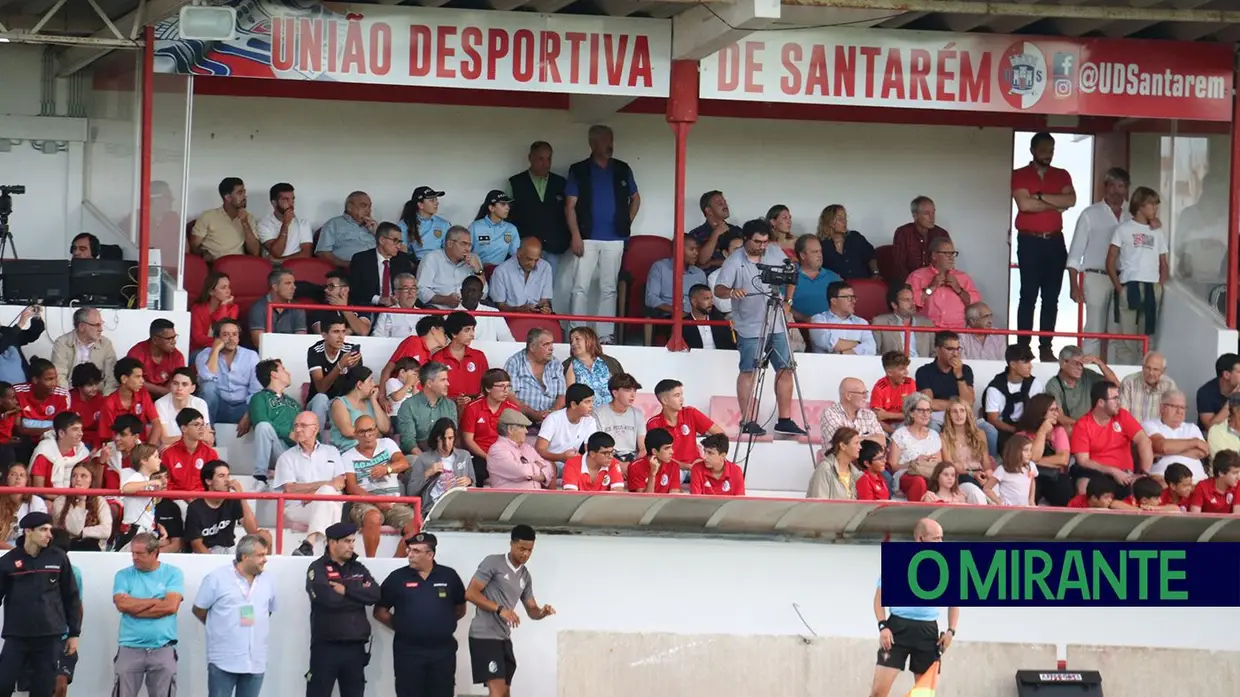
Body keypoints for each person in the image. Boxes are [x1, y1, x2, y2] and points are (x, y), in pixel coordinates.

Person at [714, 219, 806, 437]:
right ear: (746, 239)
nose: (762, 246)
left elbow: (792, 274)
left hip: (777, 322)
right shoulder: (735, 261)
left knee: (786, 368)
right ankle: (747, 420)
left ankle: (784, 419)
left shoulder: (774, 251)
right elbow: (718, 289)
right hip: (749, 326)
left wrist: (788, 301)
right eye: (757, 242)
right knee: (749, 371)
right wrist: (731, 292)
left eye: (765, 242)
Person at [565, 124, 640, 344]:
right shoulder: (579, 170)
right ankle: (577, 332)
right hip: (586, 237)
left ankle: (605, 335)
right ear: (592, 143)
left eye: (611, 140)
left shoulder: (622, 168)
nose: (610, 146)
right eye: (605, 141)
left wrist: (625, 223)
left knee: (609, 288)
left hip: (615, 238)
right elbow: (569, 206)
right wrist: (576, 235)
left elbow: (636, 199)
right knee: (580, 286)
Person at [870, 517, 958, 697]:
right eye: (936, 539)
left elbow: (954, 603)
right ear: (920, 539)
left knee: (924, 694)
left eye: (942, 538)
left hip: (928, 632)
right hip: (897, 630)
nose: (941, 543)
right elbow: (879, 599)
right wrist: (883, 626)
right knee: (879, 692)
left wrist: (951, 631)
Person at [465, 525, 556, 696]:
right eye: (522, 549)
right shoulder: (493, 562)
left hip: (503, 638)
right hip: (484, 635)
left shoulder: (525, 576)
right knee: (497, 690)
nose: (525, 554)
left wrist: (542, 612)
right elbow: (471, 593)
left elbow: (532, 609)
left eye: (530, 550)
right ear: (511, 544)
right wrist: (500, 609)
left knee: (505, 692)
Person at [376, 532, 467, 697]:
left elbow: (460, 609)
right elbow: (380, 611)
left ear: (430, 554)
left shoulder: (449, 576)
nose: (410, 555)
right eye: (409, 550)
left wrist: (440, 625)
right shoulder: (397, 578)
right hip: (409, 651)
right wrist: (402, 626)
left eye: (416, 551)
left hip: (442, 652)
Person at [1012, 132, 1076, 362]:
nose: (1048, 154)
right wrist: (1052, 202)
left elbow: (1070, 201)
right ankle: (1022, 346)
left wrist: (1038, 197)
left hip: (1055, 241)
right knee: (1027, 294)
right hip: (1029, 241)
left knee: (1051, 297)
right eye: (1043, 149)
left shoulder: (1062, 174)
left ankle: (1046, 346)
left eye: (1051, 149)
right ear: (1032, 150)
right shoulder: (1019, 174)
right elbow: (1024, 204)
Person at [0, 512, 81, 697]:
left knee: (43, 690)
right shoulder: (8, 561)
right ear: (28, 531)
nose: (49, 535)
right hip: (17, 636)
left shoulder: (58, 557)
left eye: (50, 530)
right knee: (3, 683)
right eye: (43, 530)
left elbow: (71, 597)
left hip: (50, 636)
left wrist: (74, 633)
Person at [191, 534, 276, 697]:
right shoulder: (217, 578)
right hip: (224, 659)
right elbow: (199, 609)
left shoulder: (268, 581)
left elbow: (267, 612)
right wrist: (219, 626)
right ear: (245, 556)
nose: (265, 559)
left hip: (255, 661)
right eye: (260, 555)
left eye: (265, 554)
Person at [304, 523, 380, 697]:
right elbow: (328, 600)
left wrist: (346, 591)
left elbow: (375, 594)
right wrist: (359, 596)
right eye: (347, 541)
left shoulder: (358, 568)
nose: (352, 545)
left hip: (355, 648)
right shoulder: (318, 568)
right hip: (326, 648)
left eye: (353, 540)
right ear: (332, 542)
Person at [1067, 167, 1130, 358]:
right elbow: (1075, 255)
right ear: (1105, 187)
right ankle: (1088, 375)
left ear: (1127, 189)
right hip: (1097, 277)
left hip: (1124, 278)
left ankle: (1113, 379)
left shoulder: (1133, 215)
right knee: (1093, 330)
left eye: (1121, 185)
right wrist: (1073, 286)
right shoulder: (1090, 214)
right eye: (1112, 185)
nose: (1116, 190)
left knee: (1117, 333)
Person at [111, 532, 183, 697]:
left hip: (163, 647)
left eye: (140, 553)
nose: (134, 557)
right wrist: (156, 601)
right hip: (129, 647)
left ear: (154, 552)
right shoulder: (123, 575)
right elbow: (121, 604)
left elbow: (171, 607)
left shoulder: (173, 573)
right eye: (133, 553)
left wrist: (134, 606)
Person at [1106, 186, 1168, 365]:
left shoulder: (1157, 231)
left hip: (1151, 286)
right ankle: (1126, 376)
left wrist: (1159, 286)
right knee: (1126, 339)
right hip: (1129, 284)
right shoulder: (1123, 229)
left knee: (1148, 337)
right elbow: (1110, 261)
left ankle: (1146, 376)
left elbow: (1163, 262)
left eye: (1156, 206)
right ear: (1140, 205)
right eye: (1152, 205)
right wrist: (1120, 289)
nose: (1155, 209)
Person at [274, 412, 348, 557]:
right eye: (296, 425)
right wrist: (324, 486)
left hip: (327, 503)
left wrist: (316, 494)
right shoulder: (286, 457)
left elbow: (340, 483)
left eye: (303, 425)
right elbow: (290, 489)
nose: (298, 429)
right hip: (299, 507)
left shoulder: (331, 452)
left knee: (328, 496)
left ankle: (309, 543)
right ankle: (332, 550)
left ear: (315, 429)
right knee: (328, 494)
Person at [343, 415, 417, 558]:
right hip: (365, 503)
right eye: (362, 432)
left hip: (394, 503)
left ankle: (394, 564)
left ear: (376, 430)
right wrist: (377, 501)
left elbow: (403, 463)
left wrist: (387, 469)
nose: (368, 435)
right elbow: (352, 487)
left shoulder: (387, 444)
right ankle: (372, 562)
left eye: (371, 430)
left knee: (416, 525)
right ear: (355, 434)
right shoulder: (347, 456)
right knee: (373, 517)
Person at [1069, 380, 1154, 499]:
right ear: (1101, 402)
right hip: (1096, 474)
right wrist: (1113, 471)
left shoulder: (1123, 415)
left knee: (1145, 489)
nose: (1119, 402)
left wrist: (1144, 474)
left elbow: (1144, 441)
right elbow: (1083, 461)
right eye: (1115, 399)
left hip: (1126, 475)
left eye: (1119, 398)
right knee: (1084, 486)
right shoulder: (1083, 425)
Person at [507, 141, 570, 272]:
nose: (545, 163)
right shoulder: (516, 182)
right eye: (540, 159)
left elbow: (567, 212)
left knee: (546, 288)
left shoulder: (560, 182)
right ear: (530, 158)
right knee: (523, 286)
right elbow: (508, 214)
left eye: (549, 159)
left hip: (553, 246)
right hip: (526, 246)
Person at [183, 460, 267, 554]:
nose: (227, 480)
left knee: (264, 536)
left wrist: (241, 495)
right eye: (221, 476)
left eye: (228, 475)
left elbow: (252, 530)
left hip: (229, 550)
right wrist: (214, 562)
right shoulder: (195, 507)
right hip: (207, 553)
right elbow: (196, 544)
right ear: (208, 481)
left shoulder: (233, 500)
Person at [195, 319, 262, 425]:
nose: (231, 339)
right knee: (208, 387)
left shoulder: (251, 356)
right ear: (217, 338)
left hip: (242, 407)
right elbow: (206, 378)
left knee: (263, 400)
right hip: (217, 407)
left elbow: (257, 390)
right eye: (225, 334)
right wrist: (215, 350)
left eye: (235, 334)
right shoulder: (204, 354)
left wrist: (249, 414)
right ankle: (208, 434)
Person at [905, 237, 981, 329]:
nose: (951, 257)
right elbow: (907, 305)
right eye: (946, 253)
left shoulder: (963, 277)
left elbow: (976, 306)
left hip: (958, 332)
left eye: (953, 253)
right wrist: (931, 288)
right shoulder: (917, 276)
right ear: (934, 255)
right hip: (927, 331)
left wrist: (959, 290)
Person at [646, 379, 722, 470]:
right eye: (677, 395)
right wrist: (683, 466)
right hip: (670, 468)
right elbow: (656, 455)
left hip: (695, 465)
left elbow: (720, 434)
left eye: (681, 394)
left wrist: (707, 455)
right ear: (665, 400)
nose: (682, 399)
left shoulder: (691, 412)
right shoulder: (653, 423)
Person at [1013, 394, 1074, 507]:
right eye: (1052, 410)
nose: (1057, 413)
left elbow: (1063, 459)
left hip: (1055, 477)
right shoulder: (1022, 435)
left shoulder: (1058, 431)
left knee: (1064, 487)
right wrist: (1042, 432)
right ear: (1040, 412)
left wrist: (1033, 462)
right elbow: (1033, 457)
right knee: (1029, 485)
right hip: (1032, 476)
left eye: (1057, 409)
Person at [461, 369, 520, 485]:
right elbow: (468, 440)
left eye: (508, 386)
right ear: (488, 389)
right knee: (476, 472)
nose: (506, 390)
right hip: (481, 455)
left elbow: (518, 439)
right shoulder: (472, 408)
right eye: (501, 386)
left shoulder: (513, 409)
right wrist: (488, 457)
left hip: (506, 455)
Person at [982, 344, 1044, 451]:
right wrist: (1015, 430)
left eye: (1030, 362)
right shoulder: (995, 387)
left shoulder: (1035, 384)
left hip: (1029, 428)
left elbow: (1039, 413)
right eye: (1025, 362)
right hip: (1005, 429)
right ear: (1013, 365)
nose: (1030, 366)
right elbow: (993, 419)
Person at [407, 417, 476, 511]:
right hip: (432, 508)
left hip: (460, 506)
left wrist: (469, 481)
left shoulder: (464, 455)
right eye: (442, 438)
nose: (446, 443)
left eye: (450, 438)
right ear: (436, 438)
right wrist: (427, 473)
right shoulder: (423, 459)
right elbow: (411, 492)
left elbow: (474, 484)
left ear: (455, 438)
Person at [306, 318, 363, 431]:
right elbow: (321, 389)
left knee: (350, 402)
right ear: (324, 335)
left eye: (343, 331)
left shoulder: (349, 351)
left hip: (341, 403)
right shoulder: (315, 351)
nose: (341, 336)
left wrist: (353, 369)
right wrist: (340, 366)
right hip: (318, 403)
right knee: (321, 398)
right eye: (336, 332)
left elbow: (358, 388)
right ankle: (317, 443)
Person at [247, 359, 298, 481]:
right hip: (277, 450)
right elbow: (261, 422)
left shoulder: (293, 402)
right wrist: (288, 433)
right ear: (273, 374)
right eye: (283, 369)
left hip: (297, 453)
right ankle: (260, 475)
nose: (289, 373)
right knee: (263, 426)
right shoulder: (259, 398)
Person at [1142, 389, 1208, 482]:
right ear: (1162, 408)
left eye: (1183, 407)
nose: (1179, 411)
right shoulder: (1150, 424)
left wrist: (1166, 453)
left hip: (1197, 480)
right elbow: (1163, 447)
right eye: (1175, 406)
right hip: (1164, 480)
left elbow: (1203, 451)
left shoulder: (1192, 428)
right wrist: (1194, 442)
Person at [1044, 345, 1120, 425]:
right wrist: (1083, 425)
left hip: (1091, 425)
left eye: (1081, 364)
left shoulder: (1087, 374)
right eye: (1076, 363)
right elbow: (1060, 417)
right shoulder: (1053, 385)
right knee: (1068, 429)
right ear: (1064, 363)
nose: (1080, 367)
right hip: (1072, 426)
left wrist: (1099, 362)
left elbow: (1116, 384)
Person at [503, 328, 566, 424]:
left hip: (551, 421)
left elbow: (562, 396)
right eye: (546, 344)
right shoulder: (514, 363)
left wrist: (551, 414)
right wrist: (533, 414)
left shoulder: (556, 364)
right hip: (520, 420)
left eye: (552, 343)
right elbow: (509, 395)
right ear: (532, 347)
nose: (551, 348)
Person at [349, 221, 418, 308]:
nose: (399, 246)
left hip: (397, 307)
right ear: (382, 240)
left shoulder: (403, 259)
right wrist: (379, 299)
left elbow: (408, 287)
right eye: (395, 241)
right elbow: (355, 290)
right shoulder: (361, 259)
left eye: (400, 242)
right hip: (370, 307)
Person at [889, 392, 942, 503]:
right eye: (921, 410)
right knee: (919, 481)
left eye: (928, 410)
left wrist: (930, 462)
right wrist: (915, 462)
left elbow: (939, 463)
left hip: (930, 474)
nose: (926, 414)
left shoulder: (934, 435)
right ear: (911, 413)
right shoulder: (900, 434)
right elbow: (893, 466)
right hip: (907, 475)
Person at [50, 307, 118, 394]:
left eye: (101, 324)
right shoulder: (62, 343)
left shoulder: (105, 344)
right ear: (82, 326)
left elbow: (111, 378)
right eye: (97, 325)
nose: (101, 329)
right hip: (71, 395)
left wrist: (106, 401)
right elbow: (59, 375)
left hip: (97, 396)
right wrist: (67, 399)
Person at [417, 227, 487, 310]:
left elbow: (484, 293)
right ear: (450, 243)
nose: (467, 249)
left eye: (469, 245)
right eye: (463, 244)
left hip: (469, 310)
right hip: (439, 309)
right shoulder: (432, 258)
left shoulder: (474, 258)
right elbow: (421, 290)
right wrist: (445, 300)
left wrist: (478, 269)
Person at [191, 177, 261, 260]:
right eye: (239, 193)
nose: (244, 196)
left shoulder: (248, 218)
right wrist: (204, 253)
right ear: (228, 197)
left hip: (239, 264)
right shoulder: (207, 216)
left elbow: (255, 252)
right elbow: (193, 246)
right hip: (214, 265)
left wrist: (245, 223)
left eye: (244, 192)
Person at [98, 358, 164, 445]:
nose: (142, 381)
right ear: (124, 379)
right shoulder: (109, 404)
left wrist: (148, 449)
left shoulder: (143, 393)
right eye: (137, 377)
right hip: (119, 448)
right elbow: (109, 439)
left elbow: (156, 424)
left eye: (142, 376)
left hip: (141, 446)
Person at [430, 310, 490, 406]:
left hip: (475, 408)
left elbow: (486, 387)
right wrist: (454, 401)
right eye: (467, 330)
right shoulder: (438, 358)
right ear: (454, 333)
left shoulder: (479, 356)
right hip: (446, 408)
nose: (472, 335)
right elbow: (433, 390)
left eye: (473, 329)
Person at [486, 410, 556, 491]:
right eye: (523, 427)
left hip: (534, 497)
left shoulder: (527, 447)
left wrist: (532, 474)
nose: (526, 431)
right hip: (510, 499)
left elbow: (548, 468)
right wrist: (537, 467)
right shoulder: (497, 450)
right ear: (510, 429)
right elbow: (521, 472)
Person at [397, 362, 458, 454]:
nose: (448, 384)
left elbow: (452, 437)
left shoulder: (450, 405)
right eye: (443, 380)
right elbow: (408, 442)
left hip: (445, 453)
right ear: (429, 383)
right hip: (418, 455)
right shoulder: (408, 406)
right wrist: (426, 460)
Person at [535, 384, 599, 469]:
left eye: (592, 401)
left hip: (572, 464)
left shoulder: (590, 421)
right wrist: (561, 457)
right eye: (587, 402)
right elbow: (540, 449)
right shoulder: (554, 418)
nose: (591, 406)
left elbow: (590, 451)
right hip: (550, 462)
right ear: (573, 404)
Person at [52, 463, 112, 551]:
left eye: (83, 476)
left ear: (91, 480)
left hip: (92, 549)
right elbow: (75, 529)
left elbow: (106, 530)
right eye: (74, 476)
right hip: (66, 548)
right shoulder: (60, 500)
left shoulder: (99, 501)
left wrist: (83, 533)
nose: (78, 479)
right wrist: (81, 501)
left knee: (89, 543)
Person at [891, 196, 951, 283]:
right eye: (927, 213)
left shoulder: (941, 234)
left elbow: (948, 264)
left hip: (936, 282)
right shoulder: (903, 232)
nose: (932, 217)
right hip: (908, 283)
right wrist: (913, 285)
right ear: (915, 215)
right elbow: (899, 266)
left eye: (933, 213)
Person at [328, 368, 389, 453]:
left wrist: (374, 401)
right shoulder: (339, 403)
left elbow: (385, 428)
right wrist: (376, 432)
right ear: (359, 384)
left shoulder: (370, 402)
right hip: (349, 451)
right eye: (370, 380)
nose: (374, 384)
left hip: (374, 450)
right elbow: (348, 431)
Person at [160, 408, 220, 493]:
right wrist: (184, 496)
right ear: (184, 428)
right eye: (196, 425)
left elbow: (214, 481)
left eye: (202, 424)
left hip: (203, 499)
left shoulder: (211, 453)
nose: (201, 428)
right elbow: (166, 483)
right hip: (176, 499)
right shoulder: (168, 453)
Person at [646, 236, 707, 317]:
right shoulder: (660, 267)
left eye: (697, 249)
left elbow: (705, 302)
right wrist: (677, 312)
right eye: (692, 249)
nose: (696, 253)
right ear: (677, 249)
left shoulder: (699, 274)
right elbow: (651, 299)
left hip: (694, 320)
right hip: (669, 317)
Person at [809, 281, 876, 355]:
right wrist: (858, 344)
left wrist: (842, 353)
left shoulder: (862, 322)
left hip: (856, 365)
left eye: (853, 297)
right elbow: (829, 344)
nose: (853, 301)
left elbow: (871, 348)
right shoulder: (818, 320)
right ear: (834, 301)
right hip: (826, 365)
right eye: (848, 298)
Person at [490, 237, 554, 314]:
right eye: (529, 259)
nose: (532, 264)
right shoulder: (501, 271)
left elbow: (545, 301)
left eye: (536, 260)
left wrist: (545, 308)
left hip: (538, 316)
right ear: (518, 253)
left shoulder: (545, 267)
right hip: (513, 317)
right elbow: (500, 306)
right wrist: (518, 310)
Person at [247, 267, 308, 347]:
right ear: (275, 287)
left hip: (292, 353)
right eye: (288, 283)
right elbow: (259, 342)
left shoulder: (298, 308)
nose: (294, 287)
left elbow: (301, 341)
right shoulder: (258, 308)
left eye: (293, 283)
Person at [564, 327, 623, 408]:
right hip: (583, 416)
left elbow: (622, 388)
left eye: (577, 339)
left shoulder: (610, 363)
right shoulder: (569, 365)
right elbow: (570, 396)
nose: (573, 343)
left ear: (590, 340)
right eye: (571, 341)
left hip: (609, 415)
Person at [126, 318, 186, 398]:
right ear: (155, 339)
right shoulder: (136, 353)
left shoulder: (177, 356)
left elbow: (176, 385)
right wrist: (164, 391)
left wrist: (146, 385)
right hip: (140, 397)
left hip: (168, 400)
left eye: (174, 337)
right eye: (169, 339)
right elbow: (132, 381)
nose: (174, 342)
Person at [594, 373, 646, 464]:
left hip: (632, 460)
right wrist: (620, 465)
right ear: (615, 393)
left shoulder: (638, 414)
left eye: (634, 390)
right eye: (628, 390)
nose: (633, 395)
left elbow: (643, 448)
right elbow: (598, 448)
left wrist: (634, 466)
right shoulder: (598, 414)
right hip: (608, 459)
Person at [316, 191, 379, 267]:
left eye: (369, 206)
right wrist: (347, 265)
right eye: (363, 206)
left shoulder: (373, 226)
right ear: (349, 207)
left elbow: (388, 249)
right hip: (348, 269)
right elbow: (323, 253)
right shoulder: (333, 224)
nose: (368, 210)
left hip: (378, 267)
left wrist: (377, 232)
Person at [817, 204, 878, 279]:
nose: (845, 221)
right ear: (830, 222)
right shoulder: (819, 244)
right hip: (835, 287)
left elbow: (871, 255)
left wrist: (875, 273)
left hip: (862, 284)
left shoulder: (855, 237)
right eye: (840, 219)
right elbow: (817, 268)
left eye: (845, 218)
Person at [871, 284, 933, 358]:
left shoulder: (927, 323)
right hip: (894, 367)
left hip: (922, 367)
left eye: (912, 299)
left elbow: (934, 353)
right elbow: (874, 353)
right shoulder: (880, 322)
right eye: (907, 300)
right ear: (894, 305)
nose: (913, 303)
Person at [154, 368, 212, 447]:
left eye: (184, 384)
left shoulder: (200, 403)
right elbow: (164, 439)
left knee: (208, 443)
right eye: (175, 383)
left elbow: (206, 434)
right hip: (172, 447)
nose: (179, 388)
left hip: (194, 445)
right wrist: (192, 436)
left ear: (192, 388)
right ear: (170, 385)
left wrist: (198, 437)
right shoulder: (160, 404)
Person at [256, 182, 314, 260]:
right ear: (274, 203)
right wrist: (285, 224)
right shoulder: (264, 224)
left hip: (298, 265)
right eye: (286, 199)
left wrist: (280, 261)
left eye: (292, 199)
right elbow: (277, 252)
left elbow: (306, 254)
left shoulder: (303, 223)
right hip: (275, 269)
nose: (291, 203)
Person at [789, 234, 840, 322]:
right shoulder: (789, 277)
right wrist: (805, 319)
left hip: (832, 327)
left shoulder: (834, 277)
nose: (819, 255)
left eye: (820, 251)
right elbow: (781, 306)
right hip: (799, 327)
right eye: (814, 252)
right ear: (802, 255)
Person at [687, 190, 742, 271]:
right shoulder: (696, 234)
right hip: (707, 279)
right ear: (708, 210)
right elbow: (701, 261)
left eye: (725, 202)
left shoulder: (736, 231)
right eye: (720, 203)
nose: (725, 205)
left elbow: (745, 258)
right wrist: (715, 234)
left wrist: (713, 263)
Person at [189, 273, 239, 356]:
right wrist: (219, 342)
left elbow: (225, 328)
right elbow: (198, 337)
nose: (228, 291)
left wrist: (223, 306)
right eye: (223, 288)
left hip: (225, 349)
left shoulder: (233, 308)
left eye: (228, 287)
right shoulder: (197, 308)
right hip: (201, 350)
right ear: (211, 292)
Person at [806, 427, 863, 500]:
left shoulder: (855, 474)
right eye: (856, 443)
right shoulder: (825, 469)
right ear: (842, 446)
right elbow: (818, 505)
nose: (860, 447)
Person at [398, 186, 452, 261]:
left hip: (439, 265)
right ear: (421, 205)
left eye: (436, 199)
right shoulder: (404, 224)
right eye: (432, 200)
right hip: (415, 265)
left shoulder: (444, 224)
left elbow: (449, 251)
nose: (437, 203)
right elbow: (402, 254)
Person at [312, 270, 373, 336]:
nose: (326, 290)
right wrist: (351, 329)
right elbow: (324, 336)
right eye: (326, 286)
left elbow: (363, 331)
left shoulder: (361, 305)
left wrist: (344, 309)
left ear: (345, 290)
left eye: (331, 286)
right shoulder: (320, 309)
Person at [469, 190, 521, 266]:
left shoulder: (511, 229)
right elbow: (466, 252)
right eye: (503, 204)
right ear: (491, 208)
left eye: (508, 204)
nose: (507, 208)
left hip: (500, 272)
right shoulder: (475, 227)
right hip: (477, 270)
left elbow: (516, 256)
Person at [560, 432, 625, 492]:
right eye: (605, 453)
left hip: (605, 504)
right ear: (592, 454)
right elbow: (571, 495)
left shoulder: (613, 463)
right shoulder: (572, 464)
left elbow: (618, 492)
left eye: (612, 452)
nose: (611, 456)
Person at [871, 351, 917, 434]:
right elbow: (877, 417)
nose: (906, 372)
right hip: (886, 428)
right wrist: (895, 433)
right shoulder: (880, 387)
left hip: (906, 424)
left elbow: (914, 414)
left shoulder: (910, 383)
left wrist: (887, 415)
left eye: (906, 368)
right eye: (902, 369)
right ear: (889, 373)